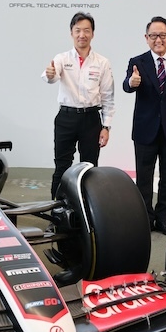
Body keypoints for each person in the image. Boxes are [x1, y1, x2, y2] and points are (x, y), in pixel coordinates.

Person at [122, 16, 166, 237]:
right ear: (146, 38)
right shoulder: (138, 61)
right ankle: (146, 218)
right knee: (144, 178)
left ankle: (163, 219)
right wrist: (131, 83)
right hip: (145, 130)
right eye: (153, 36)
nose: (158, 40)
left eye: (163, 35)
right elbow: (127, 85)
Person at [42, 12, 115, 199]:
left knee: (89, 169)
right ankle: (57, 212)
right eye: (78, 31)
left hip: (91, 119)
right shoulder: (62, 59)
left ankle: (88, 215)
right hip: (66, 118)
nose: (82, 35)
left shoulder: (102, 62)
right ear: (71, 33)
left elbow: (108, 96)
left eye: (86, 31)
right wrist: (50, 74)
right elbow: (51, 76)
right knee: (62, 166)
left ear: (93, 34)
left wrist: (106, 127)